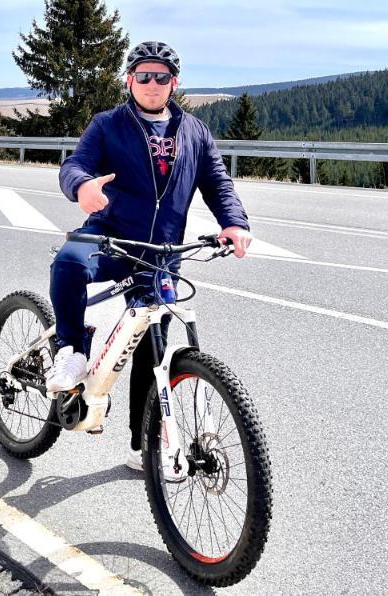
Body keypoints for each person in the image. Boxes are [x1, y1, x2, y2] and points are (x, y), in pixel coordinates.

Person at [48, 40, 252, 471]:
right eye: (144, 75)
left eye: (161, 76)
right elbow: (75, 165)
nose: (152, 83)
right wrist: (82, 187)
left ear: (174, 83)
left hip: (161, 252)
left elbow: (217, 182)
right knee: (67, 262)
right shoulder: (108, 125)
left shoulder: (195, 132)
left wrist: (234, 223)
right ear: (129, 80)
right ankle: (70, 350)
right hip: (111, 237)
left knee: (151, 346)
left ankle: (143, 448)